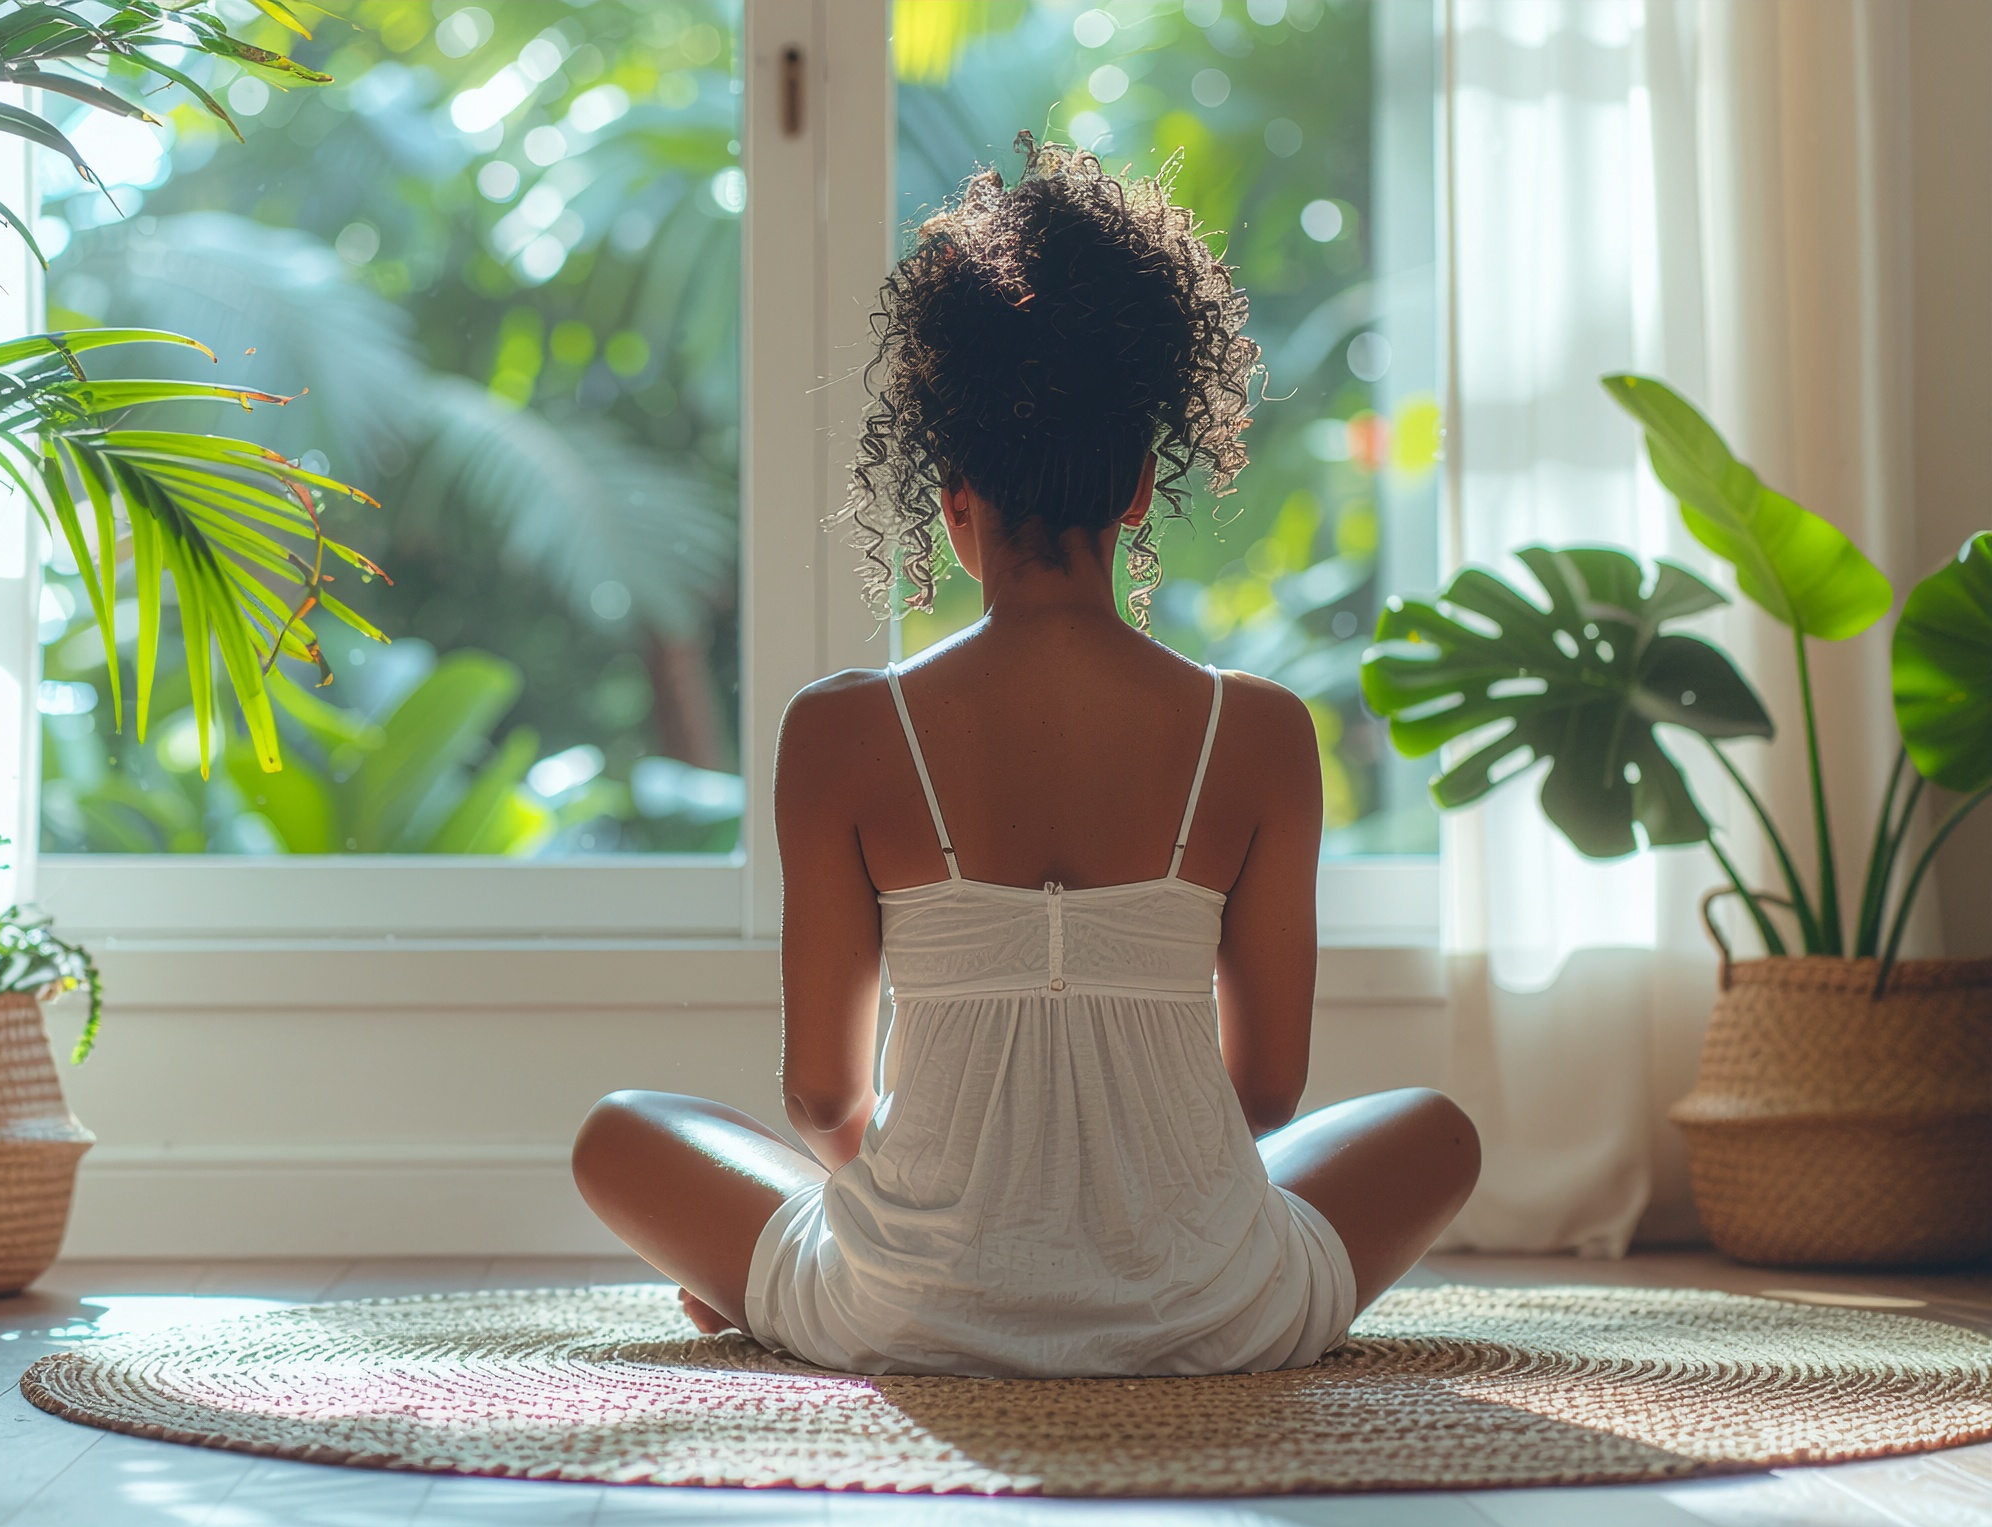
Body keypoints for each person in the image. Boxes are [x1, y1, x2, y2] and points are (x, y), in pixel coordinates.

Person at [570, 138, 1479, 1378]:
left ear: (952, 503)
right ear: (1136, 492)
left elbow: (824, 1105)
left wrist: (969, 1208)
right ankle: (1140, 1258)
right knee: (1435, 1132)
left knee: (624, 1133)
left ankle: (797, 1293)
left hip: (905, 1309)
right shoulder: (1258, 733)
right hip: (1209, 1306)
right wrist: (1117, 1189)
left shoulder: (839, 732)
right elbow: (1265, 1095)